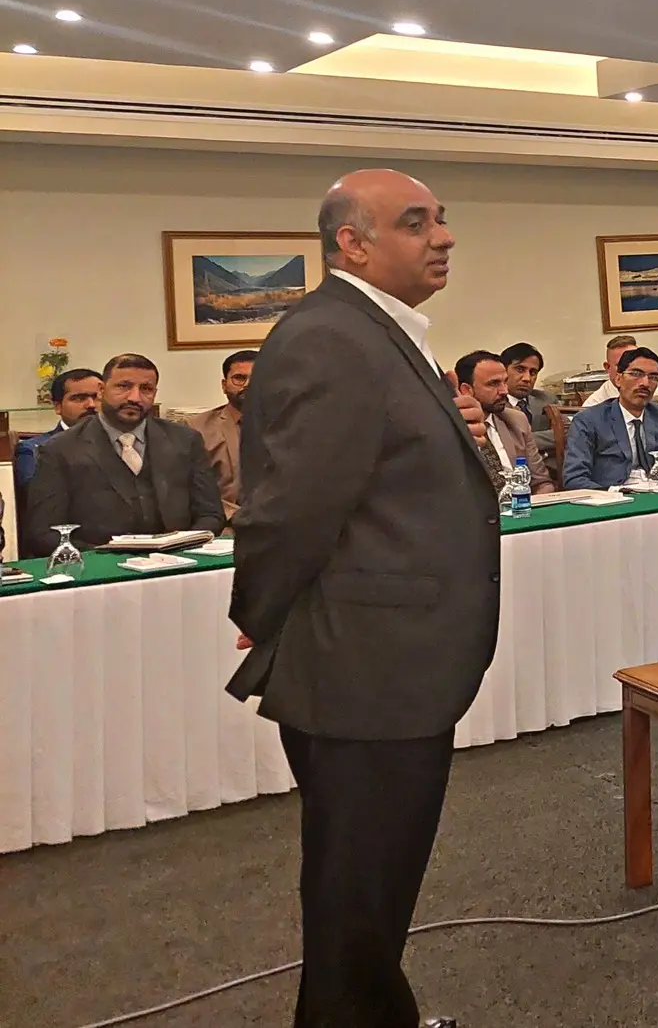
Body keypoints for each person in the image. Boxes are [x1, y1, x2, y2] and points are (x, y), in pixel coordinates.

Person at [225, 168, 497, 1028]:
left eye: (441, 219)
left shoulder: (379, 331)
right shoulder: (333, 337)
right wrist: (262, 613)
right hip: (365, 668)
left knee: (370, 900)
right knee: (357, 900)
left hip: (391, 665)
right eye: (416, 223)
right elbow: (289, 509)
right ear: (353, 243)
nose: (443, 236)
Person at [24, 354, 225, 556]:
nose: (134, 398)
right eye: (123, 386)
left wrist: (183, 547)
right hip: (101, 565)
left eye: (146, 389)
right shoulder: (60, 449)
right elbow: (44, 533)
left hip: (180, 560)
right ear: (101, 390)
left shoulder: (185, 440)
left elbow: (211, 514)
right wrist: (106, 558)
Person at [563, 347, 658, 488]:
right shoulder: (588, 420)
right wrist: (612, 495)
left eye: (653, 377)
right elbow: (574, 478)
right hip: (613, 495)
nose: (645, 383)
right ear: (618, 379)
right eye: (636, 374)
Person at [457, 350, 557, 494]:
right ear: (467, 390)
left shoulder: (517, 420)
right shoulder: (450, 429)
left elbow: (542, 483)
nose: (504, 391)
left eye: (504, 382)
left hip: (521, 503)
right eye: (494, 384)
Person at [12, 366, 102, 506]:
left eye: (97, 397)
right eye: (79, 398)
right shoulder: (33, 450)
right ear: (58, 406)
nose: (91, 405)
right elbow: (39, 497)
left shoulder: (122, 444)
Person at [191, 350, 258, 523]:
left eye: (256, 378)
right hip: (221, 524)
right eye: (239, 378)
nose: (248, 384)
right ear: (224, 385)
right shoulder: (196, 429)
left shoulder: (287, 425)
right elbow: (190, 489)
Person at [498, 342, 558, 469]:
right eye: (520, 369)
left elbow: (566, 432)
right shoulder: (494, 404)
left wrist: (525, 441)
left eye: (533, 372)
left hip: (547, 470)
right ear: (503, 370)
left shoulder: (546, 399)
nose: (527, 378)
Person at [582, 334, 638, 407]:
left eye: (637, 364)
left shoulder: (652, 393)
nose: (631, 370)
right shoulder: (593, 405)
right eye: (623, 364)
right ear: (608, 367)